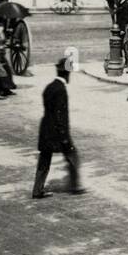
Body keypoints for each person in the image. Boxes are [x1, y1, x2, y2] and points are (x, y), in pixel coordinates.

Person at [32, 58, 84, 198]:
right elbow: (61, 115)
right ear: (66, 74)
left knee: (44, 160)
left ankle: (37, 190)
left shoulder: (49, 87)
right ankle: (75, 186)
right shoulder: (61, 90)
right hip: (58, 132)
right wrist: (65, 137)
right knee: (72, 156)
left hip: (45, 129)